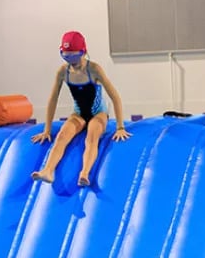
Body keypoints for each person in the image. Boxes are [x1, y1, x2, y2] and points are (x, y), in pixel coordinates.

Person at [31, 31, 131, 186]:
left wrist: (120, 127)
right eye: (67, 56)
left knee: (92, 137)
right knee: (62, 136)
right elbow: (52, 100)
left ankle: (84, 173)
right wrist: (47, 129)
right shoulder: (63, 72)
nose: (72, 61)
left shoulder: (94, 69)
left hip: (98, 113)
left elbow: (115, 97)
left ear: (84, 52)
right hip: (78, 113)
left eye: (75, 56)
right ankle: (48, 170)